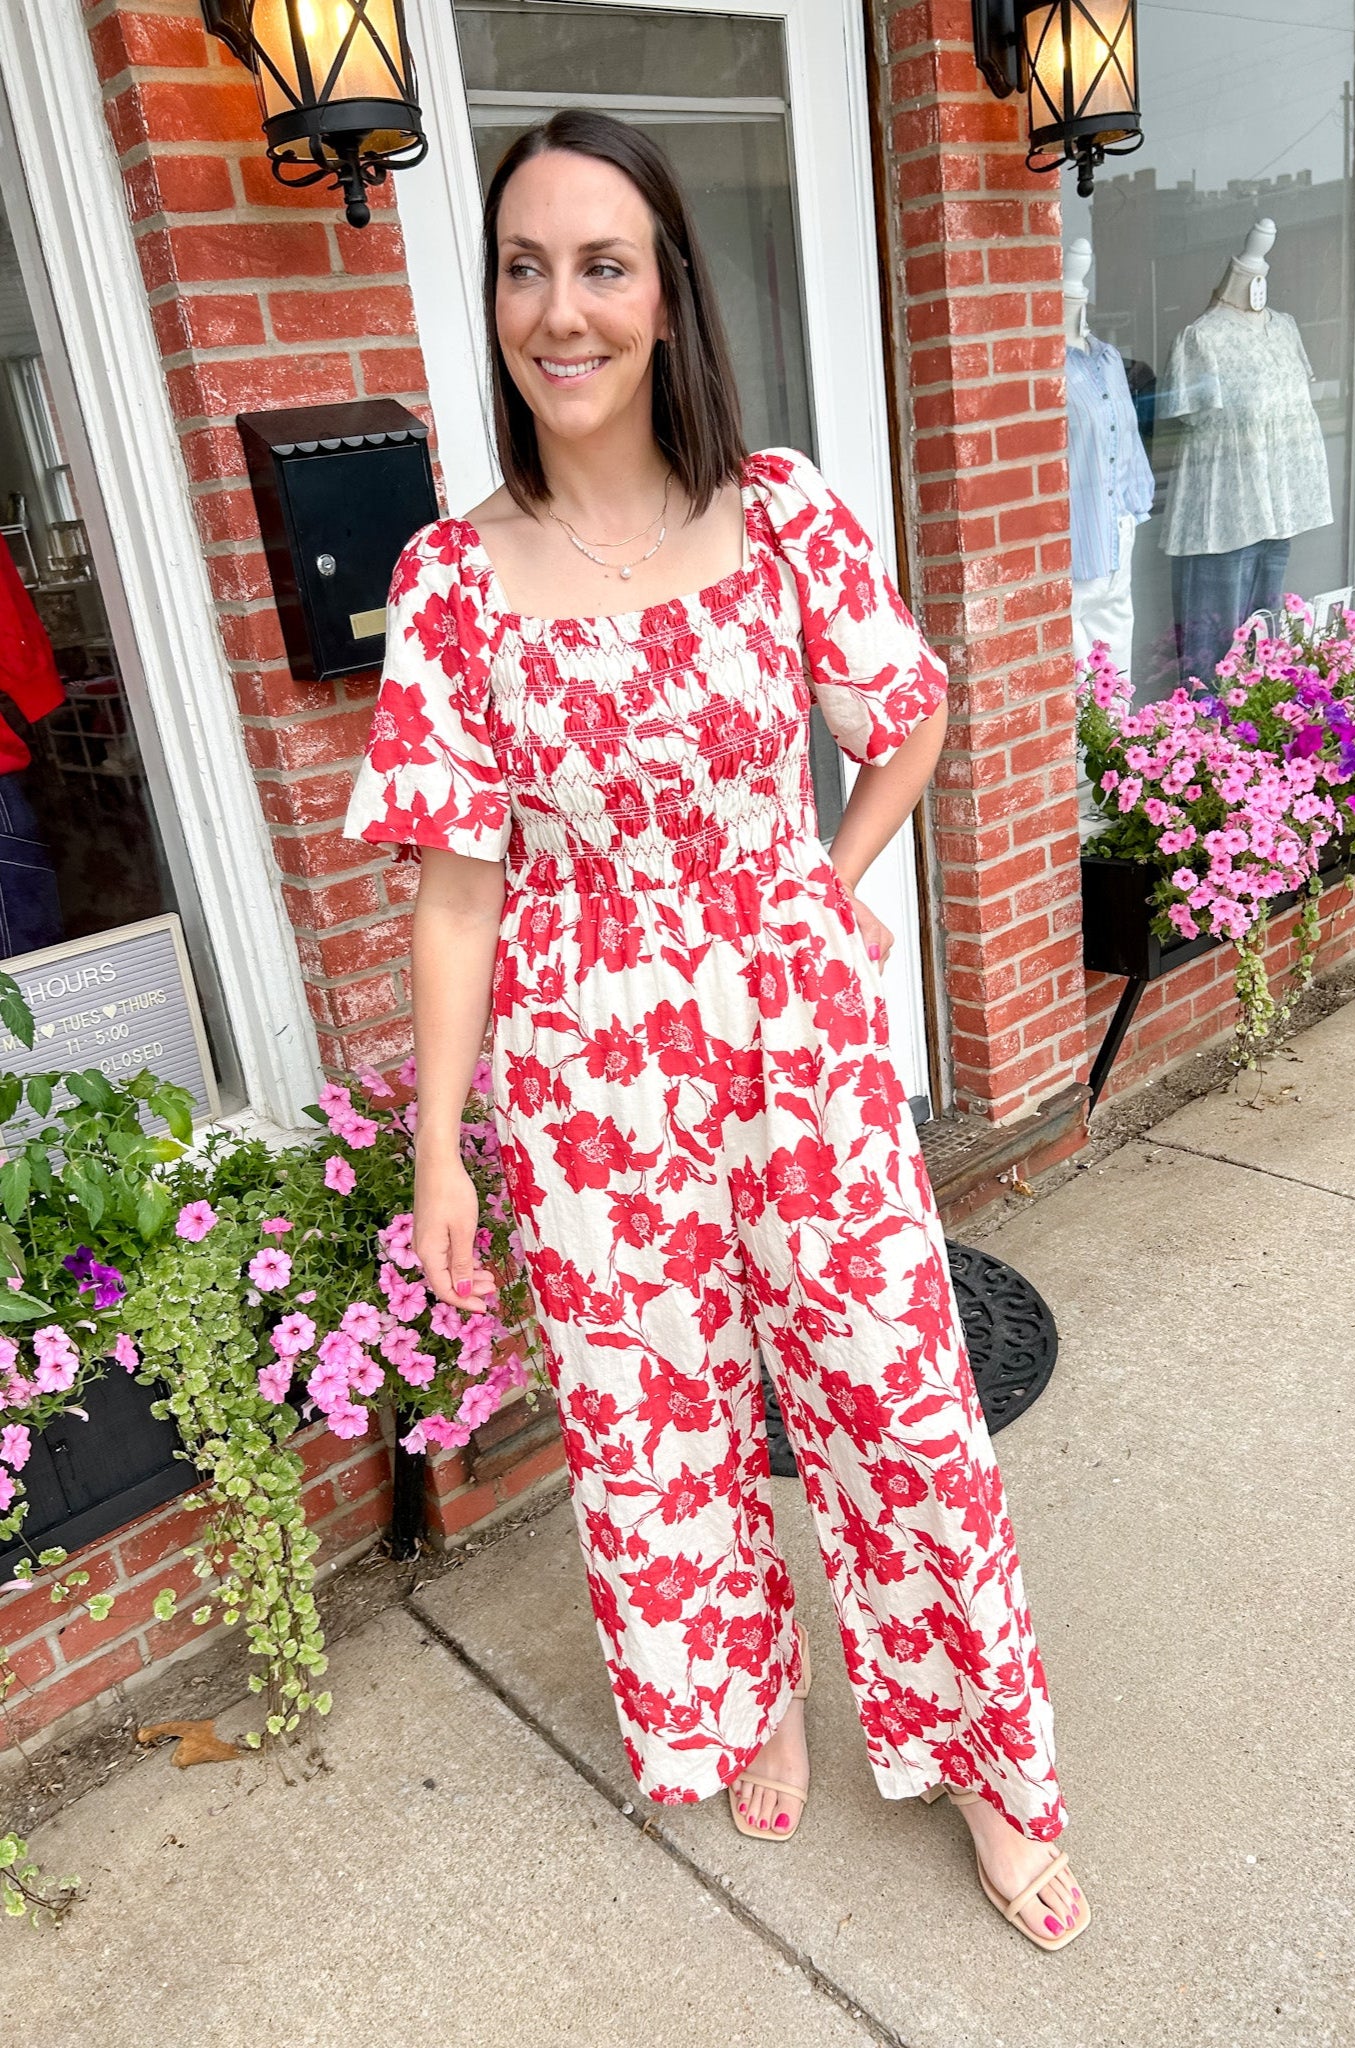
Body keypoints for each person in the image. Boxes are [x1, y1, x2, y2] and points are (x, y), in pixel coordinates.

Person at [344, 109, 1088, 1953]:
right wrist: (440, 1153)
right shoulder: (451, 580)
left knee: (897, 1396)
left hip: (796, 1037)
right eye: (524, 268)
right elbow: (455, 892)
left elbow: (906, 708)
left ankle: (986, 1759)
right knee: (651, 1419)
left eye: (601, 266)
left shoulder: (777, 509)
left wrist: (821, 881)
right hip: (583, 1071)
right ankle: (743, 1695)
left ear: (666, 294)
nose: (561, 310)